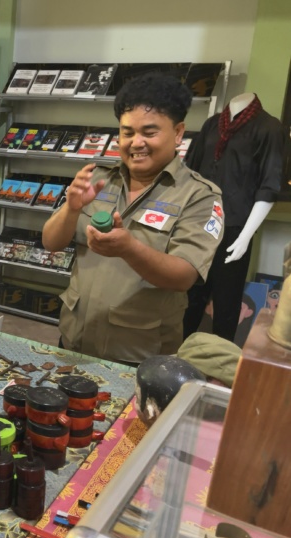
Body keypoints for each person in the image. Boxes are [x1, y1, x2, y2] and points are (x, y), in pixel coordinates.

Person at [42, 73, 223, 365]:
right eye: (127, 132)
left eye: (149, 133)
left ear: (178, 133)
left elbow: (184, 276)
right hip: (73, 340)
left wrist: (129, 248)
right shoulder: (98, 178)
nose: (136, 143)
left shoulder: (199, 196)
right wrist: (71, 208)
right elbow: (50, 241)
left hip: (140, 355)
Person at [183, 92, 284, 342]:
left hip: (235, 228)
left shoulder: (270, 128)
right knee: (187, 298)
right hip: (197, 225)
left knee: (227, 304)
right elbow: (189, 170)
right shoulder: (212, 125)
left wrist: (245, 237)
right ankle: (174, 354)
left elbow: (269, 185)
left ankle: (219, 367)